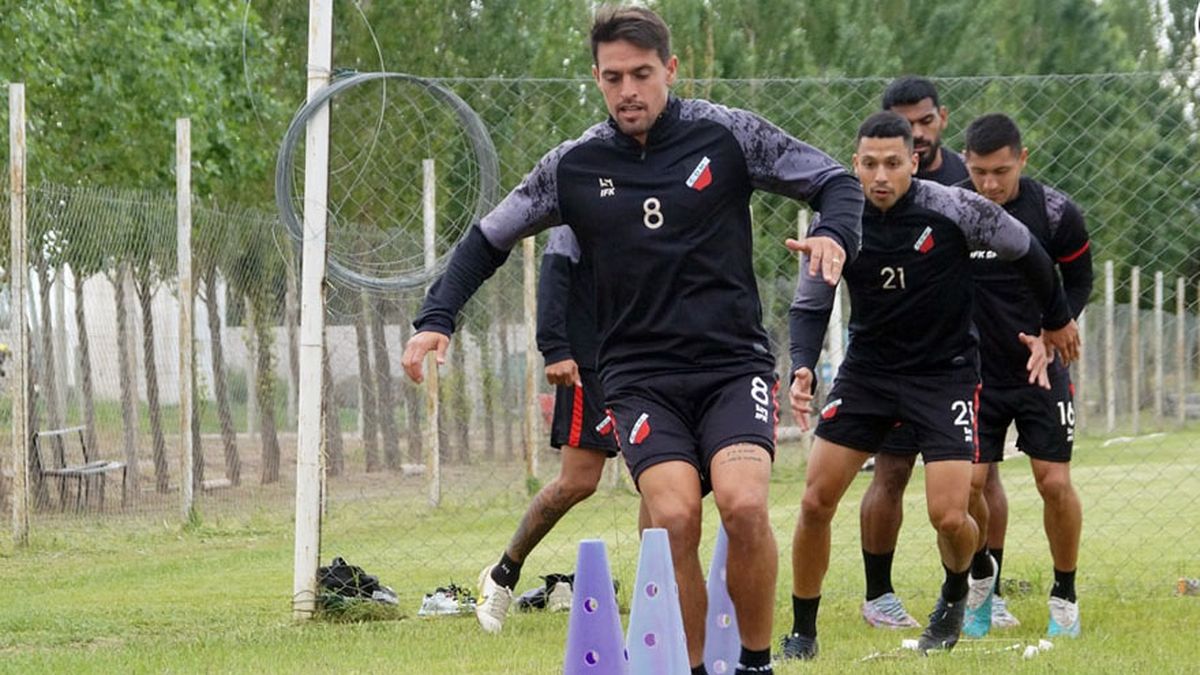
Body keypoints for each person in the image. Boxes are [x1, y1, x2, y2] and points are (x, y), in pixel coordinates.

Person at [400, 8, 864, 674]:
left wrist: (836, 233)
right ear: (596, 78)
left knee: (743, 502)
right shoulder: (574, 165)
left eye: (642, 74)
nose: (629, 92)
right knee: (672, 517)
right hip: (640, 376)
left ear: (670, 70)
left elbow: (833, 181)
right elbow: (489, 237)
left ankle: (757, 663)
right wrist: (436, 317)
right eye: (613, 77)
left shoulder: (726, 134)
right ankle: (698, 667)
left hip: (732, 364)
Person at [782, 111, 1073, 659]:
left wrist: (1055, 318)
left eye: (893, 163)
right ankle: (802, 632)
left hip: (945, 374)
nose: (881, 176)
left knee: (949, 514)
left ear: (914, 161)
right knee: (817, 498)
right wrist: (802, 364)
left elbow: (1030, 252)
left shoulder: (955, 208)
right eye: (869, 164)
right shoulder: (840, 219)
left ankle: (957, 589)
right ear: (855, 164)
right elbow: (812, 299)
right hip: (868, 373)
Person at [855, 75, 1008, 631]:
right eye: (905, 125)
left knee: (973, 482)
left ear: (941, 119)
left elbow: (1019, 250)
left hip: (956, 362)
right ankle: (880, 596)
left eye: (924, 122)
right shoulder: (878, 182)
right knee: (889, 474)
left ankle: (979, 577)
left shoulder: (963, 189)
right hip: (888, 364)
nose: (916, 135)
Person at [958, 113, 1091, 639]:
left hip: (1040, 368)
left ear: (1023, 160)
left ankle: (1065, 596)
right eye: (979, 171)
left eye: (1001, 171)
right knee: (968, 485)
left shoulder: (1056, 212)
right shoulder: (951, 206)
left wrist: (1052, 329)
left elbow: (1079, 278)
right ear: (965, 162)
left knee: (1053, 482)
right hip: (972, 373)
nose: (989, 184)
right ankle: (981, 591)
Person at [473, 225, 621, 633]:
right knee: (578, 481)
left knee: (660, 476)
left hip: (645, 355)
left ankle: (661, 589)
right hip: (589, 364)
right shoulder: (580, 199)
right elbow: (555, 273)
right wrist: (556, 347)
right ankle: (503, 574)